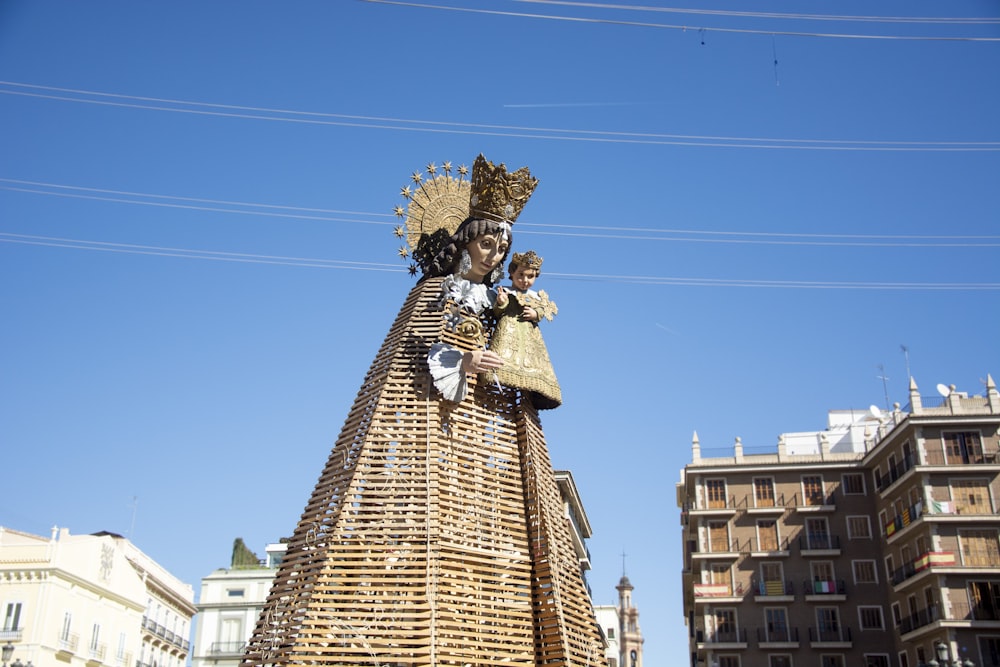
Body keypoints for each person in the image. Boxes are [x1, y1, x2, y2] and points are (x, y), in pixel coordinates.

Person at [487, 250, 562, 409]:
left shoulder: (536, 296)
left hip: (530, 335)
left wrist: (536, 314)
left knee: (533, 361)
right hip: (509, 328)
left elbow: (543, 312)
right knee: (504, 357)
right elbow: (497, 313)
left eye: (530, 276)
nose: (524, 280)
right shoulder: (505, 291)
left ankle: (535, 390)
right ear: (512, 273)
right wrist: (501, 303)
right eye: (521, 275)